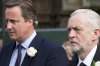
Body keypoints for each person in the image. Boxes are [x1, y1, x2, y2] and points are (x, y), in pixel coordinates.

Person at [0, 0, 69, 66]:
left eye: (13, 21)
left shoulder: (52, 52)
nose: (8, 27)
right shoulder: (6, 50)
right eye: (7, 21)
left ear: (29, 22)